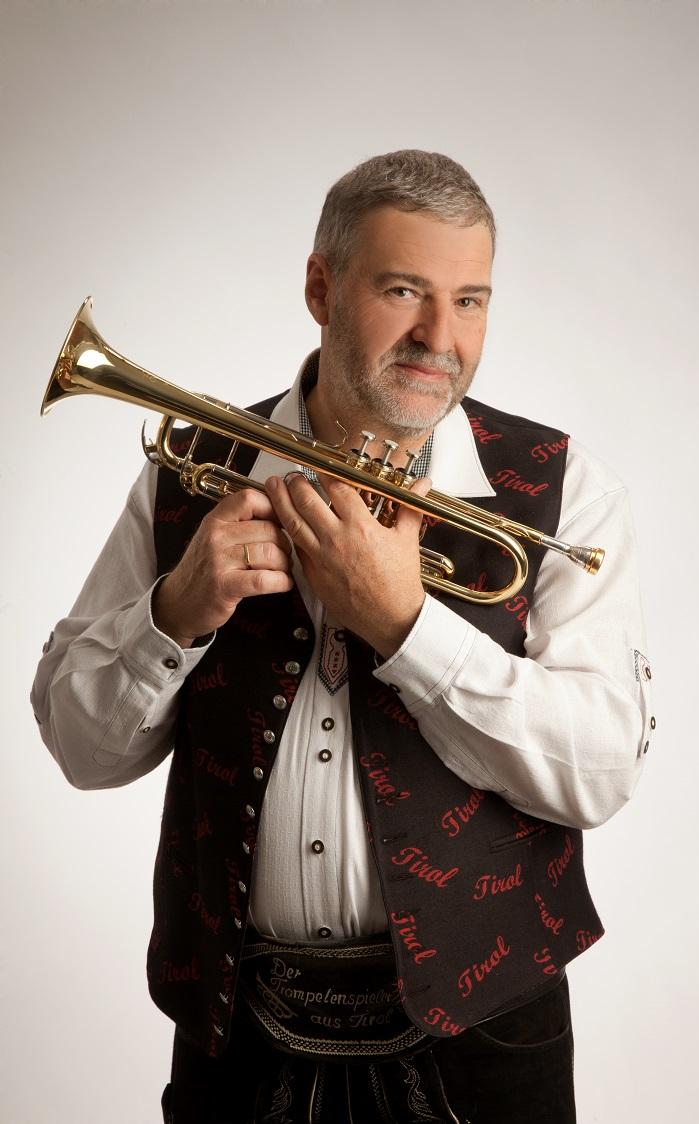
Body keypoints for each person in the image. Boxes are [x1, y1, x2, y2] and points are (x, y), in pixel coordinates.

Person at [32, 150, 653, 1123]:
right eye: (403, 290)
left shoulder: (563, 488)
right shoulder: (188, 469)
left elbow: (601, 771)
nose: (439, 337)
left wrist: (403, 625)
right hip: (237, 1040)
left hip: (485, 1045)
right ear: (320, 288)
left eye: (469, 300)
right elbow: (80, 748)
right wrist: (174, 610)